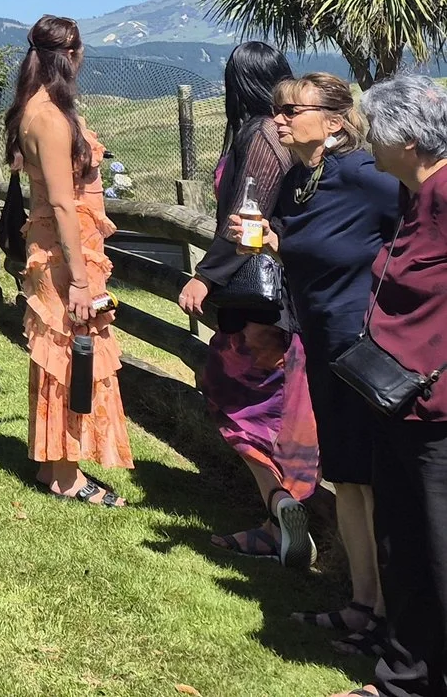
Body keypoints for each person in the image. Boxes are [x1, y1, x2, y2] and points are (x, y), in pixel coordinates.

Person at [252, 73, 400, 658]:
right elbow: (304, 242)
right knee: (351, 481)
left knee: (377, 482)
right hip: (321, 346)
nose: (281, 119)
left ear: (335, 121)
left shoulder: (368, 177)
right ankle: (363, 604)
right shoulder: (300, 180)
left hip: (368, 351)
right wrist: (270, 239)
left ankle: (391, 617)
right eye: (277, 109)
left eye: (293, 110)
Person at [174, 41, 319, 567]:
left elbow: (245, 219)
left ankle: (281, 502)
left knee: (235, 397)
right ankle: (280, 515)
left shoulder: (260, 134)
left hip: (261, 300)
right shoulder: (284, 136)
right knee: (275, 402)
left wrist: (203, 278)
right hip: (285, 292)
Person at [5, 14, 130, 505]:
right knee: (71, 354)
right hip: (64, 256)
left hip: (63, 248)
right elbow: (61, 202)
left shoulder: (36, 109)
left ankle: (56, 463)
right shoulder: (50, 118)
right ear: (71, 56)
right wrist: (80, 280)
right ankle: (65, 475)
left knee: (66, 353)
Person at [349, 74, 447, 697]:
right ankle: (405, 679)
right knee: (403, 544)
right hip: (396, 403)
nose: (366, 147)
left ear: (405, 139)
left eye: (372, 136)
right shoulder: (415, 194)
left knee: (439, 553)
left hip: (437, 411)